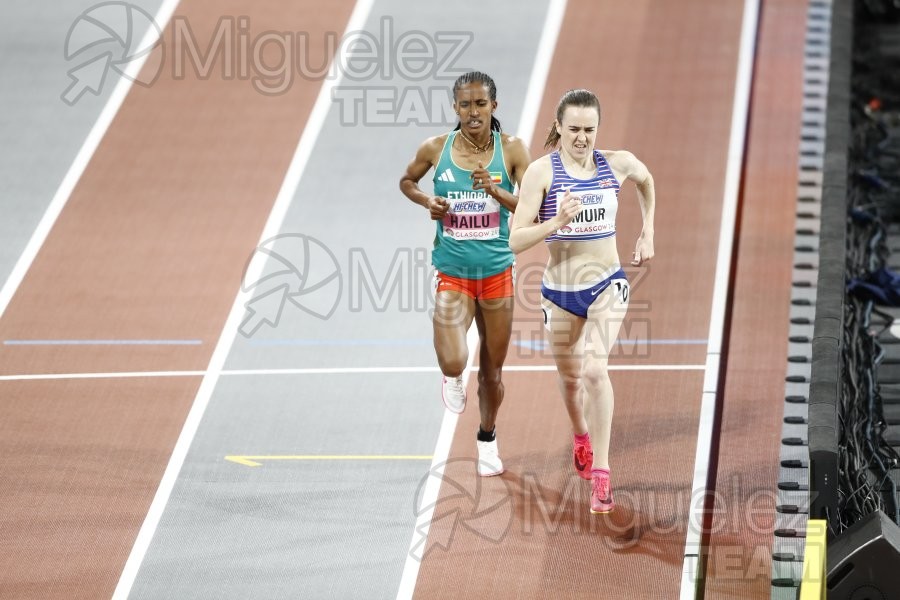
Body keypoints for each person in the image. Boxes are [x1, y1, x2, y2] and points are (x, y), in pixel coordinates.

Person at [509, 89, 655, 513]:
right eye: (573, 129)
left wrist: (648, 230)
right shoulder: (541, 173)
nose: (582, 138)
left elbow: (646, 180)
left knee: (594, 369)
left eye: (589, 130)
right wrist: (556, 221)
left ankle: (603, 476)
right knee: (571, 380)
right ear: (558, 127)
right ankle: (580, 435)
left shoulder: (617, 163)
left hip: (607, 282)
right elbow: (516, 240)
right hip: (559, 292)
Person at [399, 71, 531, 476]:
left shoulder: (511, 151)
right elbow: (406, 180)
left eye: (480, 104)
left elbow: (529, 208)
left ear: (494, 106)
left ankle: (487, 439)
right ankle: (451, 377)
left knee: (492, 372)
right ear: (455, 108)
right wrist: (426, 201)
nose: (473, 112)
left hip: (496, 275)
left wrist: (494, 191)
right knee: (456, 361)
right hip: (453, 273)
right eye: (465, 105)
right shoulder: (435, 149)